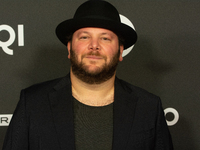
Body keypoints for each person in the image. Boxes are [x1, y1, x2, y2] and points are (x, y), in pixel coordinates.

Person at [3, 0, 173, 149]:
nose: (94, 46)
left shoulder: (148, 107)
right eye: (84, 37)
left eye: (105, 38)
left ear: (121, 51)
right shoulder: (33, 103)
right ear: (69, 48)